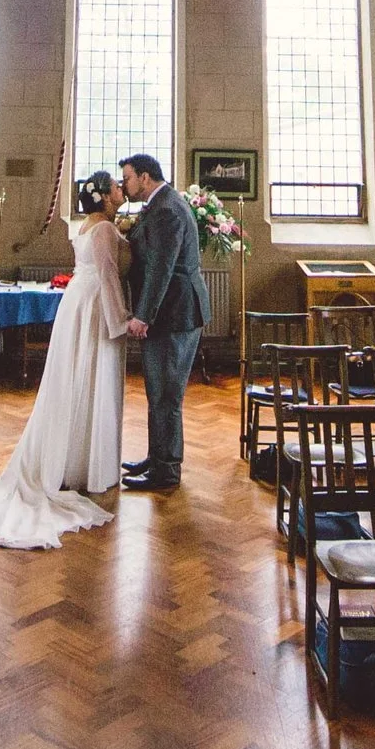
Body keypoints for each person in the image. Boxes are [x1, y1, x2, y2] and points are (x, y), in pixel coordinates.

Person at [0, 170, 132, 549]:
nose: (120, 189)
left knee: (79, 377)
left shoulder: (89, 226)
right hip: (94, 305)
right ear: (104, 197)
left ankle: (78, 458)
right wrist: (122, 320)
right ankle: (83, 465)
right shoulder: (101, 230)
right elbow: (110, 276)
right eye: (115, 186)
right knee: (89, 376)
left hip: (80, 302)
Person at [118, 152, 208, 493]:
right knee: (159, 392)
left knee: (166, 394)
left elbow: (161, 268)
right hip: (172, 313)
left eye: (127, 178)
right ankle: (157, 458)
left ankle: (166, 471)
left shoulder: (167, 209)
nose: (124, 186)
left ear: (144, 177)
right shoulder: (162, 203)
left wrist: (144, 315)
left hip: (175, 314)